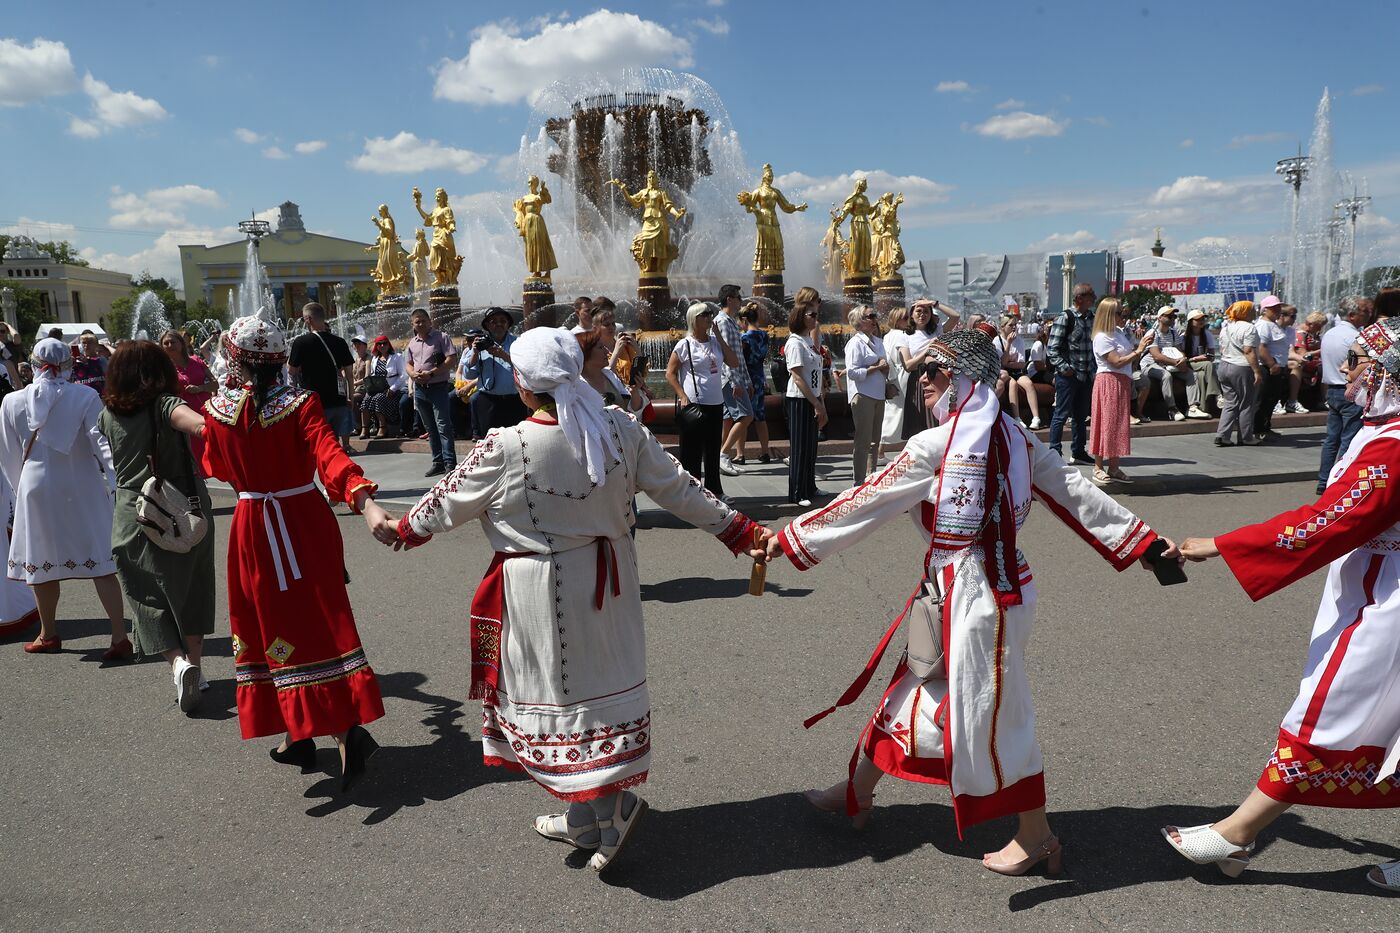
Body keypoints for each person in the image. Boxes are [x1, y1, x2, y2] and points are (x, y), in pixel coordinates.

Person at [768, 321, 1176, 877]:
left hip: (986, 603)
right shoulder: (1014, 436)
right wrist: (1143, 542)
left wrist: (791, 539)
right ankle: (855, 790)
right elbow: (1073, 492)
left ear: (962, 378)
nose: (923, 384)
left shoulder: (941, 444)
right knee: (914, 686)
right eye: (920, 375)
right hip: (973, 592)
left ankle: (1038, 837)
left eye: (932, 373)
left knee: (995, 715)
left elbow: (869, 499)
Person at [388, 327, 768, 875]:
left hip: (541, 590)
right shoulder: (621, 428)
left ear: (522, 386)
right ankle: (585, 816)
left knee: (562, 695)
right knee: (601, 686)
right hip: (611, 580)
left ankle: (612, 813)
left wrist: (397, 527)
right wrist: (741, 530)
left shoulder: (505, 445)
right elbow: (682, 489)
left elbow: (438, 507)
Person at [1167, 314, 1400, 890]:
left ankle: (1240, 830)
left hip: (1387, 599)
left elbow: (1329, 520)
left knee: (1327, 709)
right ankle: (1238, 838)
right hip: (1374, 585)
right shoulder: (1383, 431)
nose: (1347, 376)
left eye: (1359, 366)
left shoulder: (1394, 447)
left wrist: (1224, 544)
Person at [204, 316, 394, 789]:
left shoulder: (217, 411)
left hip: (253, 526)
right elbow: (329, 456)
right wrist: (365, 503)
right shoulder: (301, 403)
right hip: (303, 521)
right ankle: (313, 732)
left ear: (233, 357)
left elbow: (216, 465)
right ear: (280, 361)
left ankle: (329, 730)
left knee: (269, 623)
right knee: (319, 620)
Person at [99, 341, 214, 712]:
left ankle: (177, 663)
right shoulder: (165, 404)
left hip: (134, 510)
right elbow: (198, 425)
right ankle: (194, 666)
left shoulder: (108, 414)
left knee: (145, 594)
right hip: (183, 504)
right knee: (192, 585)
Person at [0, 338, 128, 657]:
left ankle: (49, 633)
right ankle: (119, 636)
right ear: (68, 364)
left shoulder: (12, 401)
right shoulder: (85, 395)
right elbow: (102, 445)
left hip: (35, 484)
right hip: (82, 482)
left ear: (33, 364)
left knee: (40, 562)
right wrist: (115, 482)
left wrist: (18, 492)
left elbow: (9, 456)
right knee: (101, 558)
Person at [666, 302, 740, 499]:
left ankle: (715, 490)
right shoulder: (685, 344)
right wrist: (683, 397)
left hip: (715, 403)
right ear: (694, 319)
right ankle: (692, 493)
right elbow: (670, 373)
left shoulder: (715, 342)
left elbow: (733, 362)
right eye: (704, 314)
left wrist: (720, 337)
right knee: (691, 452)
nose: (709, 317)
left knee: (713, 449)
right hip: (694, 404)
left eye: (710, 313)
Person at [1090, 299, 1154, 485]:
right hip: (1108, 381)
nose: (1123, 316)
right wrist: (1139, 349)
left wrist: (1140, 347)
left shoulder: (1118, 333)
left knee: (1118, 424)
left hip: (1122, 381)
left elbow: (1128, 357)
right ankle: (1098, 467)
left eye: (1123, 313)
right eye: (1119, 313)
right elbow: (1116, 361)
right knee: (1105, 423)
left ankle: (1114, 466)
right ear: (1109, 315)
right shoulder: (1102, 337)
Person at [1316, 296, 1373, 493]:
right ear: (1352, 315)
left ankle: (1324, 481)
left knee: (1332, 439)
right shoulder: (1354, 338)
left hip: (1332, 390)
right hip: (1350, 391)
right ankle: (1339, 484)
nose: (1368, 316)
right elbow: (1359, 365)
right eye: (1365, 313)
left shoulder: (1330, 333)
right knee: (1349, 439)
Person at [287, 302, 355, 451]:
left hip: (314, 402)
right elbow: (349, 374)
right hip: (339, 400)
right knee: (334, 440)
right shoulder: (340, 342)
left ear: (308, 319)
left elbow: (291, 372)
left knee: (321, 444)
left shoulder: (301, 343)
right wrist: (350, 397)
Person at [784, 289, 826, 507]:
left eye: (816, 315)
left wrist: (821, 403)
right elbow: (798, 378)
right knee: (800, 447)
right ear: (800, 317)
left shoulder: (807, 342)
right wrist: (815, 402)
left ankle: (810, 486)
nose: (815, 318)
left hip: (812, 397)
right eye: (811, 315)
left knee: (810, 446)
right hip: (800, 399)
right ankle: (798, 492)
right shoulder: (795, 343)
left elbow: (815, 374)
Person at [404, 309, 459, 477]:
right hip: (420, 390)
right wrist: (412, 374)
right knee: (429, 427)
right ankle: (438, 462)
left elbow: (451, 359)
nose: (420, 324)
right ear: (412, 324)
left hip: (438, 387)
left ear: (429, 321)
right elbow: (408, 364)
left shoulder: (441, 337)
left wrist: (432, 373)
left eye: (423, 321)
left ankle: (450, 462)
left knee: (443, 425)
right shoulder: (412, 343)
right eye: (416, 322)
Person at [1047, 284, 1097, 465]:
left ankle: (1078, 451)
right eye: (1090, 295)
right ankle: (1054, 452)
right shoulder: (1065, 317)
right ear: (1079, 299)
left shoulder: (1091, 318)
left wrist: (1093, 370)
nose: (1094, 298)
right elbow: (1052, 349)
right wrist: (1064, 368)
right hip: (1068, 376)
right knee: (1060, 415)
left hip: (1085, 375)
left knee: (1080, 416)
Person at [711, 284, 754, 477]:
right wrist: (736, 382)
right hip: (729, 379)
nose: (740, 300)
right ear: (729, 299)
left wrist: (747, 381)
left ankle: (720, 459)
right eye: (738, 297)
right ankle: (724, 454)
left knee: (728, 420)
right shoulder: (723, 322)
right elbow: (726, 355)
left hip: (734, 378)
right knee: (746, 416)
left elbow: (738, 356)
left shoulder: (729, 321)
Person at [844, 305, 888, 485]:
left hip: (878, 394)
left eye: (874, 315)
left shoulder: (878, 341)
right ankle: (859, 481)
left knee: (874, 441)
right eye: (870, 316)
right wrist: (877, 367)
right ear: (859, 322)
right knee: (863, 441)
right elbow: (852, 372)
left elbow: (885, 364)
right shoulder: (855, 343)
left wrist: (885, 367)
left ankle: (871, 478)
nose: (874, 318)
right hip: (862, 395)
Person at [464, 307, 526, 433]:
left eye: (502, 321)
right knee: (490, 443)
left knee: (518, 442)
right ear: (487, 325)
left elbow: (526, 367)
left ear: (508, 324)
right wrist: (475, 353)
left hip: (514, 401)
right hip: (488, 401)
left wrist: (504, 355)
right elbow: (469, 374)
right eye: (493, 321)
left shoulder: (518, 343)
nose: (498, 324)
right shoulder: (480, 344)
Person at [1215, 301, 1264, 447]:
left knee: (1230, 402)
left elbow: (1222, 349)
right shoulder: (1250, 328)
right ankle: (1246, 437)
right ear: (1246, 312)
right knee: (1246, 403)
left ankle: (1222, 435)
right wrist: (1256, 371)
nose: (1255, 312)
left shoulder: (1226, 327)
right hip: (1241, 368)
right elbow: (1248, 351)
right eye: (1252, 309)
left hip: (1224, 366)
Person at [1135, 306, 1194, 423]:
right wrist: (1176, 362)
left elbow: (1179, 350)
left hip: (1169, 364)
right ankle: (1172, 409)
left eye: (1174, 316)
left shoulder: (1173, 332)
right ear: (1160, 318)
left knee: (1191, 374)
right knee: (1166, 375)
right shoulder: (1152, 333)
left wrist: (1182, 359)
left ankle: (1193, 406)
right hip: (1150, 365)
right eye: (1169, 316)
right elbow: (1156, 355)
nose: (1172, 318)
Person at [737, 302, 772, 464]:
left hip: (747, 379)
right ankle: (765, 452)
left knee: (743, 416)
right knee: (760, 417)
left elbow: (740, 360)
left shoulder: (744, 338)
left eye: (739, 321)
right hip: (759, 377)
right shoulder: (764, 335)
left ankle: (740, 454)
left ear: (744, 319)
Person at [898, 301, 940, 439]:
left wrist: (934, 303)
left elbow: (955, 316)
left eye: (926, 311)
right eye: (918, 311)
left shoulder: (937, 330)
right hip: (918, 378)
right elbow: (908, 365)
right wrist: (928, 350)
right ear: (911, 314)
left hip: (937, 377)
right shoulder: (905, 335)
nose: (922, 315)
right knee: (918, 422)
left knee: (936, 420)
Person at [1251, 295, 1289, 439]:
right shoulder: (1263, 325)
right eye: (1274, 308)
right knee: (1262, 399)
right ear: (1264, 310)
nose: (1278, 310)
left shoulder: (1273, 324)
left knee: (1271, 399)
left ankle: (1265, 427)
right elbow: (1261, 347)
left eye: (1279, 307)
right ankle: (1256, 429)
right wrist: (1271, 364)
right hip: (1267, 368)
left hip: (1277, 367)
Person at [997, 314, 1042, 429]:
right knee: (1013, 384)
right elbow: (1002, 363)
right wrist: (1008, 344)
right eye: (1010, 325)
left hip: (1017, 371)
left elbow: (1021, 363)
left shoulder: (1020, 340)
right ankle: (1017, 418)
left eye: (1015, 325)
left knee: (1028, 384)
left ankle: (1036, 417)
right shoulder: (997, 341)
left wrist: (1008, 362)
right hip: (1005, 372)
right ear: (1003, 327)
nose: (1013, 327)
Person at [879, 306, 912, 457]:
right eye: (905, 318)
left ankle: (880, 449)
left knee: (892, 412)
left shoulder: (888, 335)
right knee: (901, 412)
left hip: (893, 375)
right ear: (897, 320)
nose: (909, 320)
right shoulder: (901, 335)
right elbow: (905, 358)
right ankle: (883, 448)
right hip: (903, 374)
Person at [361, 336, 406, 441]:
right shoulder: (375, 359)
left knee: (378, 398)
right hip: (378, 389)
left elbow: (403, 375)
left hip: (394, 391)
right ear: (376, 346)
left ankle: (383, 427)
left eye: (384, 343)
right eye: (379, 344)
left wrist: (393, 389)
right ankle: (365, 428)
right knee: (366, 399)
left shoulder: (397, 357)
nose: (382, 346)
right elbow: (373, 374)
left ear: (388, 344)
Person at [1182, 309, 1219, 418]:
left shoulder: (1207, 334)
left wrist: (1205, 357)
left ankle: (1202, 409)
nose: (1201, 321)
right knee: (1208, 364)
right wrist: (1197, 358)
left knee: (1201, 376)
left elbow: (1212, 356)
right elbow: (1183, 358)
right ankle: (1217, 394)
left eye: (1203, 319)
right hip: (1189, 363)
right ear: (1190, 322)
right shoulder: (1184, 336)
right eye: (1198, 319)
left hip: (1202, 365)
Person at [1286, 310, 1324, 413]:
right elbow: (1304, 355)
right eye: (1319, 326)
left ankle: (1324, 399)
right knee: (1324, 367)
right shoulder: (1301, 334)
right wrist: (1322, 350)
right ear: (1311, 324)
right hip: (1305, 362)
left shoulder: (1313, 334)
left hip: (1311, 362)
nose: (1321, 328)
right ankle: (1323, 400)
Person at [348, 334, 371, 437]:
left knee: (352, 398)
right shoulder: (354, 359)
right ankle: (356, 425)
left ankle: (359, 426)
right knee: (348, 399)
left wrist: (354, 383)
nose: (356, 346)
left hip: (365, 388)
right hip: (355, 388)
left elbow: (367, 377)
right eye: (355, 344)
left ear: (365, 346)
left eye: (359, 344)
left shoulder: (368, 358)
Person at [71, 330, 108, 395]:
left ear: (96, 345)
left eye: (90, 343)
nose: (86, 345)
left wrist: (88, 362)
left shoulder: (101, 360)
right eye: (84, 343)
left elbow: (108, 376)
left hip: (99, 395)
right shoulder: (77, 360)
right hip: (81, 395)